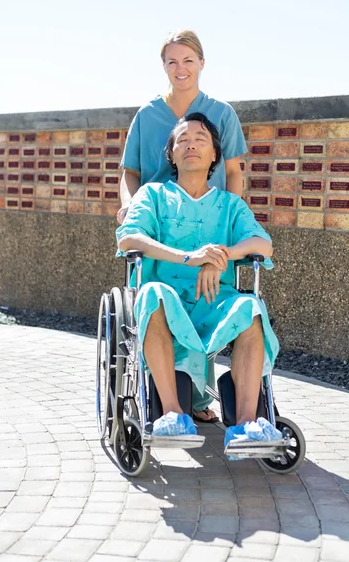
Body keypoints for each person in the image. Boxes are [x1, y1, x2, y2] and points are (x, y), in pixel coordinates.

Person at [116, 113, 280, 455]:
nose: (191, 144)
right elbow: (129, 238)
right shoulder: (153, 195)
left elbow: (263, 245)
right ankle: (173, 416)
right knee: (154, 294)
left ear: (215, 156)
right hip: (165, 300)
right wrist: (189, 258)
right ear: (172, 156)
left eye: (200, 139)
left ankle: (246, 425)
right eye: (182, 140)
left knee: (249, 307)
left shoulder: (229, 205)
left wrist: (220, 255)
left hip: (215, 302)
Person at [118, 29, 247, 424]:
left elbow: (233, 173)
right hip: (160, 222)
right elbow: (130, 173)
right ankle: (170, 399)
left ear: (202, 64)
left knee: (206, 296)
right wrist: (127, 208)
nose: (181, 69)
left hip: (210, 219)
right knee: (164, 294)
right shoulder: (147, 114)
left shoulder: (221, 114)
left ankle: (197, 400)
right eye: (172, 61)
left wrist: (235, 223)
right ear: (164, 67)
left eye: (188, 60)